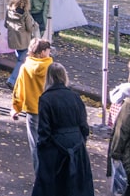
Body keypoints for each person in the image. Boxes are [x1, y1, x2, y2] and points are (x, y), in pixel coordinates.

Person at [32, 63, 93, 196]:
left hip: (55, 149)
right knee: (77, 188)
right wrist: (81, 141)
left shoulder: (46, 99)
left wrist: (42, 150)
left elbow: (44, 130)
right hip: (76, 146)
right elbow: (84, 125)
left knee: (52, 187)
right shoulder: (75, 97)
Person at [10, 39, 53, 171]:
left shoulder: (25, 67)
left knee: (35, 144)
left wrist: (16, 107)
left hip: (33, 110)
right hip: (50, 110)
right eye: (48, 50)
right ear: (42, 52)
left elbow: (19, 88)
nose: (50, 53)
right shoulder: (51, 68)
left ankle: (39, 174)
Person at [5, 0, 39, 88]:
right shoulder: (26, 15)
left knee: (20, 58)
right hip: (24, 41)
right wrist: (35, 26)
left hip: (13, 40)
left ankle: (20, 78)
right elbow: (29, 28)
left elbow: (6, 25)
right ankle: (12, 80)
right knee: (21, 61)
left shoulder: (9, 11)